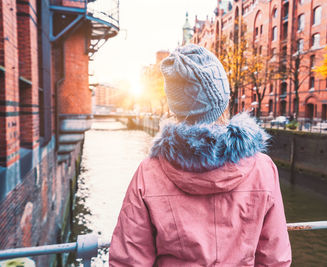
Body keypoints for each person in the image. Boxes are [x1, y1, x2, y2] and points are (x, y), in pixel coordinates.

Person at [109, 44, 292, 266]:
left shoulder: (149, 173)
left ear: (176, 107)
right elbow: (274, 258)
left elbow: (130, 261)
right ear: (223, 101)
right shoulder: (263, 168)